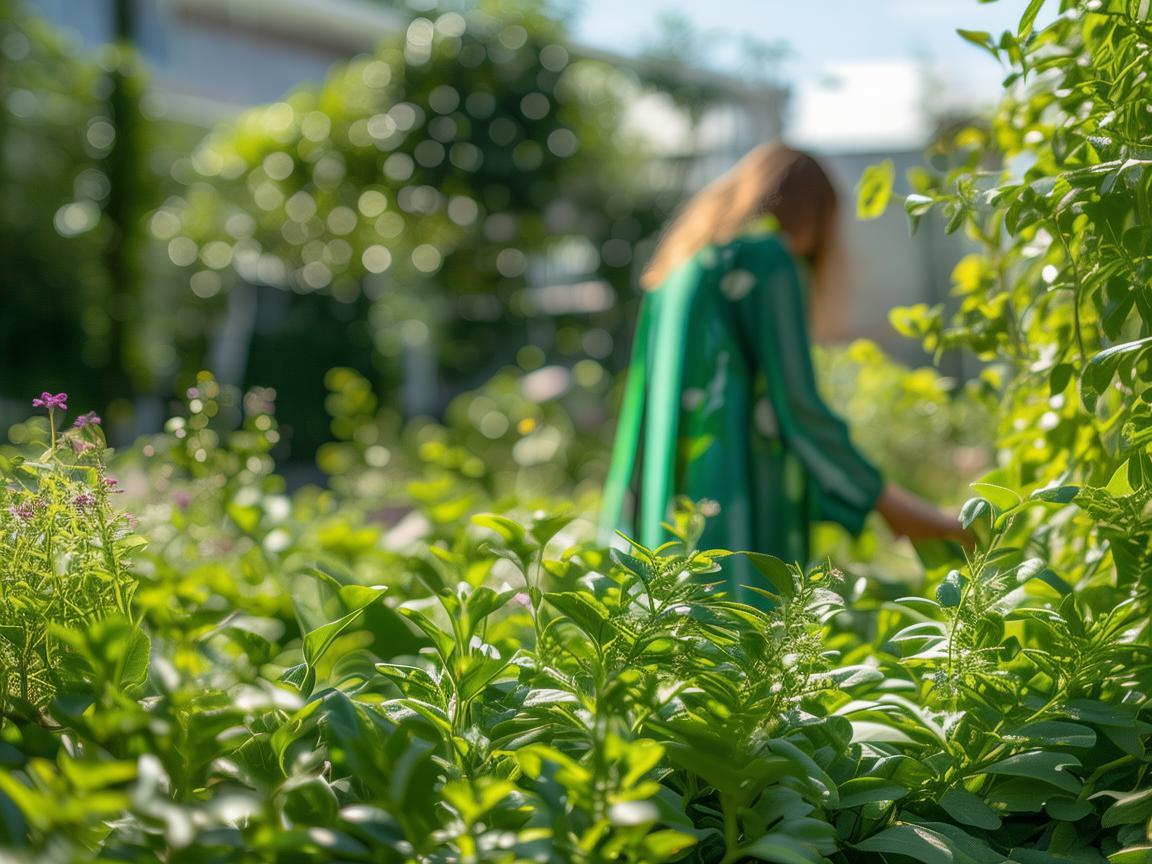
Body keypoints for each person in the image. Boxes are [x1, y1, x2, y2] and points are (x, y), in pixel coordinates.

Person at [600, 142, 965, 605]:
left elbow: (643, 409)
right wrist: (890, 504)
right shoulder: (765, 258)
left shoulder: (683, 265)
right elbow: (797, 410)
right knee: (745, 651)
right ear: (814, 211)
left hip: (669, 507)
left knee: (682, 656)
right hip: (730, 509)